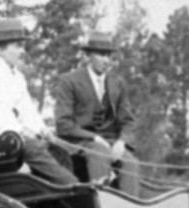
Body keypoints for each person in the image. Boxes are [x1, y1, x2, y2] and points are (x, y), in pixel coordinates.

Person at [0, 18, 78, 187]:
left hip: (11, 137)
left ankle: (60, 192)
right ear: (0, 49)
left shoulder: (17, 77)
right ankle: (71, 186)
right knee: (34, 148)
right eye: (17, 46)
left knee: (57, 148)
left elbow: (27, 110)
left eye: (22, 46)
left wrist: (42, 129)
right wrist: (21, 130)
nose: (22, 51)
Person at [54, 31, 142, 195]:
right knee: (99, 153)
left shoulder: (118, 83)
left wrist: (122, 142)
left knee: (131, 162)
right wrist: (94, 137)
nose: (106, 60)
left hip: (110, 142)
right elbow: (62, 124)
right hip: (79, 143)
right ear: (88, 56)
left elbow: (128, 121)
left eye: (108, 55)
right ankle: (102, 207)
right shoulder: (69, 81)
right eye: (101, 55)